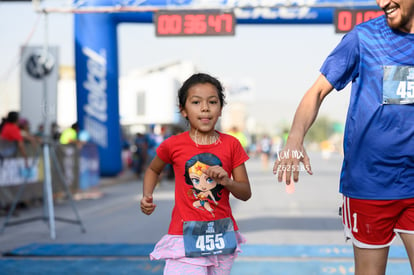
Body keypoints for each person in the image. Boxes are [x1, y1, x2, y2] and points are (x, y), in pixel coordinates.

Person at [273, 0, 414, 274]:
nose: (382, 2)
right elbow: (316, 92)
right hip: (369, 185)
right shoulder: (363, 38)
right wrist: (295, 138)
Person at [140, 73, 252, 274]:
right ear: (183, 110)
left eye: (212, 102)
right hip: (184, 236)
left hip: (221, 236)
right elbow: (153, 168)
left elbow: (245, 192)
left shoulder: (232, 145)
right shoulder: (173, 145)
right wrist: (147, 194)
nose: (205, 108)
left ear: (220, 109)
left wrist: (227, 181)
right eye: (196, 102)